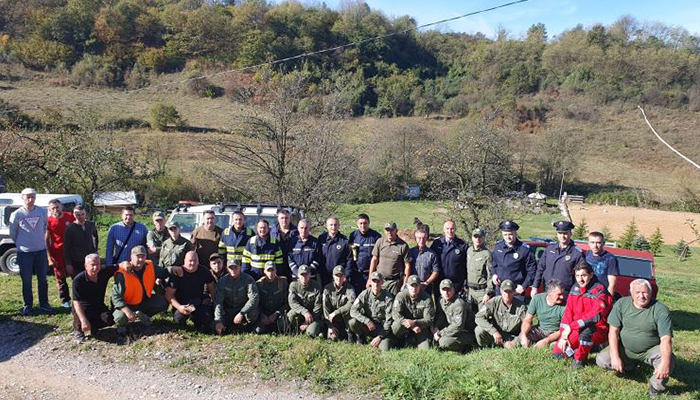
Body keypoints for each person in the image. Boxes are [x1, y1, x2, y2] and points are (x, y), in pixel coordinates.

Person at [596, 279, 674, 396]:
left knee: (668, 360)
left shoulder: (661, 309)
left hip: (650, 349)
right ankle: (628, 367)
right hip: (625, 348)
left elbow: (666, 339)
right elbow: (613, 331)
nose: (641, 296)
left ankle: (656, 388)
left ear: (651, 293)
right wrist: (615, 356)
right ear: (631, 293)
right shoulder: (621, 304)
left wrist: (665, 362)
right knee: (602, 359)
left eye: (645, 292)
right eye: (637, 292)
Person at [553, 260, 613, 368]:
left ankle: (580, 359)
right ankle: (583, 348)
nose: (580, 279)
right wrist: (563, 336)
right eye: (577, 276)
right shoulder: (574, 289)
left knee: (586, 333)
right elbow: (568, 313)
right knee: (558, 354)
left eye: (584, 275)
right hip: (576, 328)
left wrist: (572, 327)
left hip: (597, 329)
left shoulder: (600, 291)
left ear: (591, 275)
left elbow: (595, 316)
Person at [112, 245, 169, 345]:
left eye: (143, 256)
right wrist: (127, 311)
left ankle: (143, 316)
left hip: (143, 302)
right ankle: (122, 326)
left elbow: (165, 272)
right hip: (126, 305)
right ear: (131, 257)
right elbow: (115, 298)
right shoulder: (123, 272)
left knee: (162, 302)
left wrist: (176, 268)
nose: (140, 259)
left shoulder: (150, 266)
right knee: (120, 317)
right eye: (137, 256)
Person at [9, 188, 52, 315]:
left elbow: (45, 227)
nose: (30, 199)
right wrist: (22, 244)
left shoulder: (41, 211)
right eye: (27, 197)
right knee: (26, 280)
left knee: (43, 279)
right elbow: (13, 233)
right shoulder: (17, 214)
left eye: (33, 196)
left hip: (40, 251)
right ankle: (28, 305)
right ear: (22, 197)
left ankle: (44, 304)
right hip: (24, 252)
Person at [71, 254, 117, 342]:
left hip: (98, 305)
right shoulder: (78, 280)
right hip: (83, 306)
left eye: (98, 264)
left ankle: (93, 326)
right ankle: (78, 330)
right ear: (86, 266)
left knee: (110, 320)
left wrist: (127, 264)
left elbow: (120, 266)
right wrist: (83, 320)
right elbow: (76, 302)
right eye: (92, 265)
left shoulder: (104, 271)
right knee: (81, 316)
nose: (96, 267)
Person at [166, 251, 215, 332]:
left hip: (198, 302)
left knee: (207, 321)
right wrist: (179, 307)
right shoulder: (177, 272)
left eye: (195, 260)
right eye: (190, 260)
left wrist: (211, 299)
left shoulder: (204, 271)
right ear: (184, 260)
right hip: (183, 304)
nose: (192, 263)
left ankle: (196, 319)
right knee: (179, 321)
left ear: (198, 261)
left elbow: (212, 288)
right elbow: (169, 295)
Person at [532, 220, 583, 296]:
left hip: (565, 292)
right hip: (548, 290)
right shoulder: (549, 249)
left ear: (570, 234)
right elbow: (540, 269)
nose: (562, 236)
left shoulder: (577, 253)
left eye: (565, 233)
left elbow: (580, 274)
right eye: (560, 233)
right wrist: (535, 287)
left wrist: (576, 292)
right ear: (557, 234)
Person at [349, 271, 394, 351]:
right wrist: (366, 321)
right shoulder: (365, 294)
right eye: (374, 281)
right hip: (368, 325)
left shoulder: (388, 298)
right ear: (370, 282)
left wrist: (380, 336)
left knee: (385, 349)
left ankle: (378, 340)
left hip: (381, 328)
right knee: (352, 322)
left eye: (378, 281)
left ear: (382, 283)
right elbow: (353, 310)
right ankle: (361, 337)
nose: (376, 284)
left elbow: (389, 321)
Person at [491, 220, 536, 301]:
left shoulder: (524, 250)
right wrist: (494, 274)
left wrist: (523, 286)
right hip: (500, 289)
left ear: (515, 233)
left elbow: (532, 271)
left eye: (510, 234)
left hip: (516, 291)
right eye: (505, 235)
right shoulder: (498, 247)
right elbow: (494, 263)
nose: (508, 237)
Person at [474, 280, 527, 348]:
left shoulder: (521, 306)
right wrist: (494, 331)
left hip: (512, 337)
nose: (507, 294)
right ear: (501, 291)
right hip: (496, 334)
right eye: (505, 291)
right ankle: (487, 348)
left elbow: (527, 326)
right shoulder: (493, 302)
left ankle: (508, 345)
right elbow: (479, 317)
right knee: (479, 330)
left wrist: (516, 342)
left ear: (514, 292)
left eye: (510, 292)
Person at [516, 279, 566, 349]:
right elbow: (527, 320)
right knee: (520, 338)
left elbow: (563, 329)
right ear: (549, 292)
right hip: (540, 330)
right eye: (559, 294)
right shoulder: (537, 299)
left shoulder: (565, 306)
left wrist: (547, 340)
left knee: (555, 346)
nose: (562, 297)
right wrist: (524, 335)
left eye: (563, 294)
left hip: (555, 333)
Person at [214, 261, 259, 334]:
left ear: (240, 268)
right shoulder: (222, 281)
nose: (233, 270)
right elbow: (218, 302)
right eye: (231, 268)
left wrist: (241, 313)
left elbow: (254, 299)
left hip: (243, 309)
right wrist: (218, 320)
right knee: (213, 324)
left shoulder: (248, 279)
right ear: (227, 269)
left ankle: (249, 327)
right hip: (228, 309)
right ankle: (230, 326)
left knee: (253, 313)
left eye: (236, 267)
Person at [46, 198, 75, 308]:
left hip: (71, 253)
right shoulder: (48, 221)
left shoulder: (70, 216)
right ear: (49, 209)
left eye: (57, 207)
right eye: (53, 208)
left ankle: (78, 298)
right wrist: (49, 257)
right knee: (61, 278)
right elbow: (46, 239)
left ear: (61, 206)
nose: (56, 209)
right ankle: (65, 301)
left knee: (75, 276)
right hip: (57, 254)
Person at [392, 275, 435, 349]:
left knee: (425, 349)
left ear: (420, 286)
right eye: (412, 286)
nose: (414, 288)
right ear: (407, 286)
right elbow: (395, 314)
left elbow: (429, 319)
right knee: (397, 325)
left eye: (416, 286)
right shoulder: (401, 295)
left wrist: (415, 322)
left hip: (420, 327)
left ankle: (412, 340)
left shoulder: (427, 298)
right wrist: (410, 324)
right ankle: (400, 339)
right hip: (405, 325)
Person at [368, 222, 411, 295]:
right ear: (384, 231)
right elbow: (374, 260)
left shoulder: (403, 245)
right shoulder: (380, 242)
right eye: (387, 230)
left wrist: (405, 283)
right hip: (379, 280)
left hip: (394, 283)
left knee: (392, 303)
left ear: (396, 231)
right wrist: (370, 278)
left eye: (392, 230)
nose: (389, 232)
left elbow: (407, 265)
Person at [433, 279, 476, 352]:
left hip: (465, 331)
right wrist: (436, 327)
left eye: (449, 290)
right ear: (440, 291)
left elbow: (458, 326)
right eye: (444, 290)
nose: (446, 293)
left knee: (444, 342)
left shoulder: (459, 304)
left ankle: (465, 347)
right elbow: (440, 315)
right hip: (452, 329)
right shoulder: (441, 300)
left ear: (453, 290)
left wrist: (440, 333)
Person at [430, 220, 468, 294]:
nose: (450, 231)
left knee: (456, 305)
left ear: (455, 229)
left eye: (452, 228)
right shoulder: (437, 244)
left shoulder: (462, 245)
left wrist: (465, 282)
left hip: (456, 284)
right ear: (444, 230)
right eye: (447, 229)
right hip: (439, 283)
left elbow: (467, 265)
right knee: (440, 305)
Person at [348, 213, 381, 294]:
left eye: (365, 223)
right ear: (357, 224)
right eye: (361, 223)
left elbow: (379, 257)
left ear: (369, 223)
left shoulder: (376, 236)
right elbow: (349, 255)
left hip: (370, 274)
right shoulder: (353, 236)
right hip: (356, 273)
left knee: (370, 296)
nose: (363, 225)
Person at [287, 265, 323, 337]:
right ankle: (295, 330)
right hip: (300, 313)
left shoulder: (317, 286)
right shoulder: (293, 285)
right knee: (291, 315)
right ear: (298, 276)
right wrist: (304, 312)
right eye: (302, 275)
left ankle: (308, 329)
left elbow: (318, 306)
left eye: (306, 274)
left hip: (313, 316)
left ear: (310, 275)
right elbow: (292, 302)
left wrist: (308, 321)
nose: (304, 277)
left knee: (311, 333)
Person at [323, 266, 357, 342]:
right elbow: (326, 310)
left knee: (350, 340)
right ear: (333, 276)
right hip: (334, 321)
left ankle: (350, 334)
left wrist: (336, 312)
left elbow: (352, 303)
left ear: (344, 276)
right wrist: (330, 326)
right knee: (332, 339)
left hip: (346, 320)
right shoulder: (327, 289)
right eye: (336, 276)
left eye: (341, 275)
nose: (339, 278)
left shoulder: (349, 288)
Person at [64, 205, 98, 278]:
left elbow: (96, 237)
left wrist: (95, 250)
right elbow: (66, 247)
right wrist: (68, 264)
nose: (81, 217)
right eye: (78, 215)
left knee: (91, 280)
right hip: (77, 261)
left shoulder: (91, 225)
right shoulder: (70, 229)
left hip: (90, 260)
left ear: (86, 214)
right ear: (74, 215)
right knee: (79, 282)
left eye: (83, 214)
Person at [255, 261, 289, 334]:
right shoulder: (259, 284)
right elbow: (256, 303)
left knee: (282, 327)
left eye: (272, 270)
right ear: (264, 271)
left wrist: (276, 314)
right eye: (268, 270)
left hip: (277, 314)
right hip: (264, 314)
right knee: (259, 330)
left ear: (276, 271)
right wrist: (262, 315)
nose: (270, 273)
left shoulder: (282, 283)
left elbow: (287, 303)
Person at [466, 228, 494, 313]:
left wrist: (488, 293)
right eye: (475, 237)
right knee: (470, 318)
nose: (477, 239)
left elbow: (490, 276)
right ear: (472, 238)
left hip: (481, 292)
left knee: (482, 317)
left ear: (483, 238)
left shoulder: (487, 254)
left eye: (480, 237)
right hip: (470, 291)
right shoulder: (469, 251)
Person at [318, 217, 352, 286]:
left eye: (335, 225)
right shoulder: (321, 239)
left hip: (340, 277)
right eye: (331, 225)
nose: (333, 227)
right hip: (324, 276)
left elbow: (349, 259)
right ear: (326, 226)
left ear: (339, 226)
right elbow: (318, 255)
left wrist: (346, 275)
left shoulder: (344, 241)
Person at [585, 231, 619, 296]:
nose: (595, 246)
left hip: (600, 295)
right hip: (585, 293)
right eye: (592, 242)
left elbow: (612, 284)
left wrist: (608, 301)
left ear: (603, 243)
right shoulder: (585, 255)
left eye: (598, 243)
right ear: (588, 243)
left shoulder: (610, 259)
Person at [408, 227, 440, 296]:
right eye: (419, 238)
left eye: (424, 238)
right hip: (412, 286)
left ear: (427, 238)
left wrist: (426, 283)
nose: (421, 240)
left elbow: (436, 271)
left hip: (426, 287)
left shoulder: (432, 254)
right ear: (415, 239)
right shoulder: (410, 252)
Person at [270, 209, 298, 279]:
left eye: (286, 218)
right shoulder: (271, 232)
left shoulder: (297, 232)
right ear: (278, 219)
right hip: (278, 264)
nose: (284, 220)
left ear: (290, 219)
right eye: (282, 218)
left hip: (293, 264)